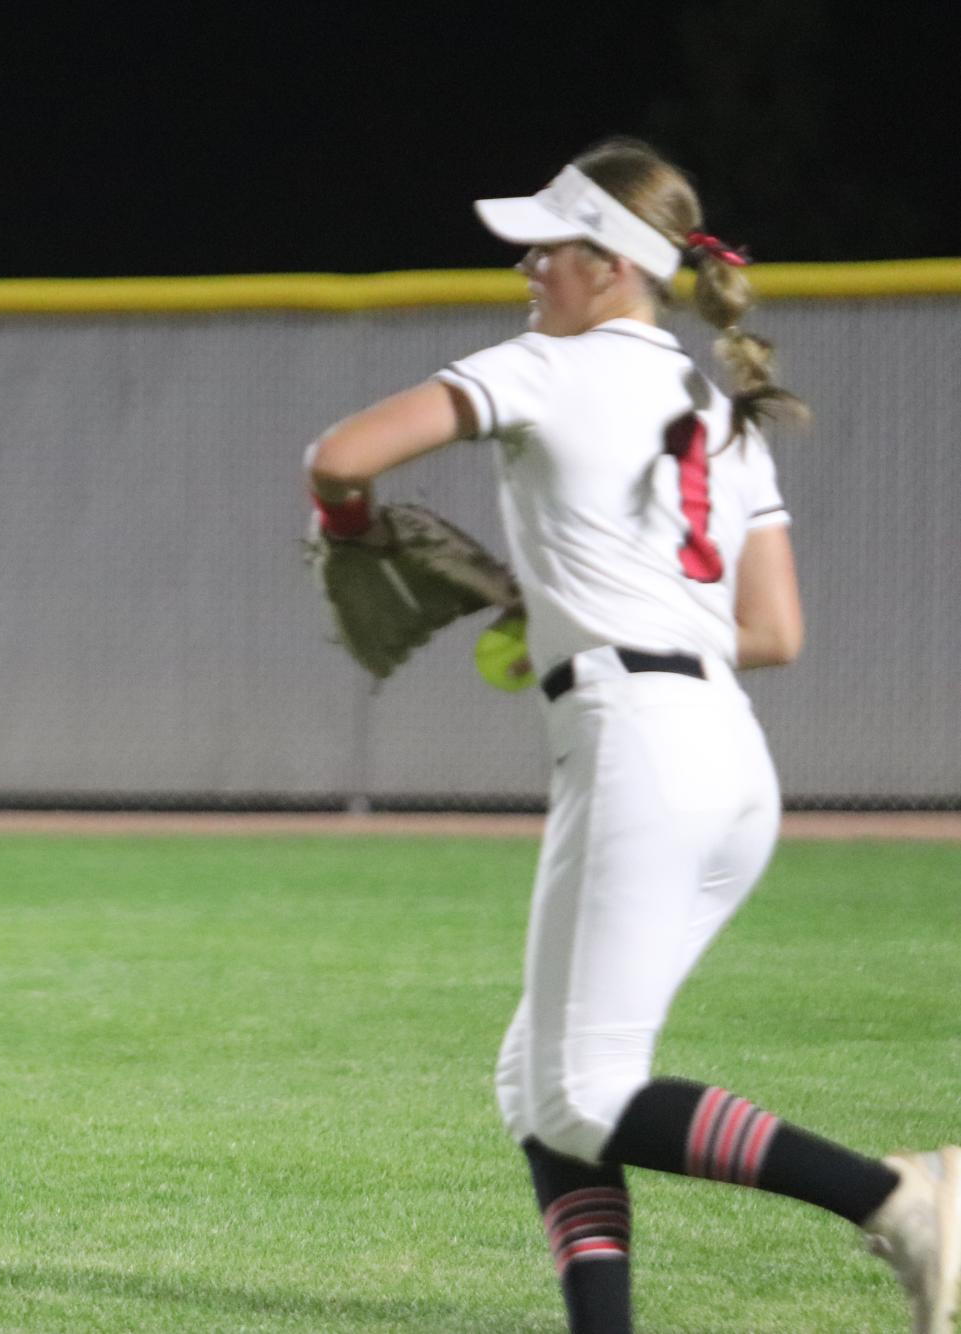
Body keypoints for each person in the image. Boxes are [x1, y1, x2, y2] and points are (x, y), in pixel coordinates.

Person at [304, 139, 957, 1333]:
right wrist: (560, 615)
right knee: (540, 1081)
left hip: (636, 748)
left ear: (610, 263)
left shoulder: (546, 369)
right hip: (725, 760)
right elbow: (774, 628)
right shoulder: (722, 405)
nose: (526, 271)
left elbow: (338, 457)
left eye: (544, 248)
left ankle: (899, 1197)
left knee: (584, 1086)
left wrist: (349, 530)